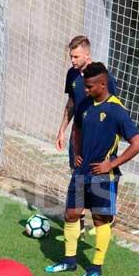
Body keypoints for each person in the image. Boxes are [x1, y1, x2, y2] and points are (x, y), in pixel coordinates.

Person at [46, 62, 139, 276]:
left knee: (100, 219)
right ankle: (69, 261)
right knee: (71, 213)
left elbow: (138, 143)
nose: (86, 90)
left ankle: (96, 267)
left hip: (102, 175)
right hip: (81, 171)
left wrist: (111, 164)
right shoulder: (85, 104)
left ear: (103, 84)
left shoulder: (116, 110)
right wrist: (78, 151)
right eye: (85, 86)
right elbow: (77, 128)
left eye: (90, 86)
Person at [55, 35, 118, 233]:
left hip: (100, 139)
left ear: (87, 55)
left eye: (76, 56)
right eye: (71, 56)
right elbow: (71, 104)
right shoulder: (71, 75)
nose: (72, 60)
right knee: (78, 173)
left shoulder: (103, 78)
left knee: (101, 175)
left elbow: (113, 108)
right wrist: (62, 130)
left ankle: (106, 218)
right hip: (78, 136)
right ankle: (79, 221)